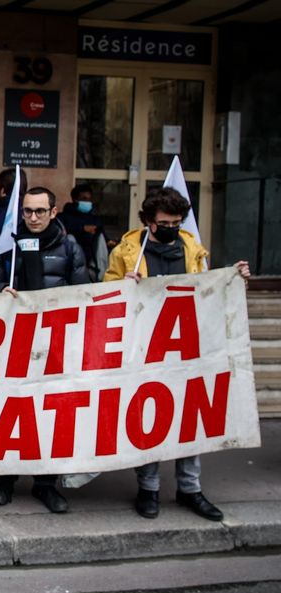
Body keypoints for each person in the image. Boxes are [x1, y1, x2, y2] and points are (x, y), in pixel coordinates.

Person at [104, 187, 250, 522]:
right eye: (164, 222)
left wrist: (234, 278)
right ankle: (149, 488)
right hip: (145, 347)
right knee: (150, 416)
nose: (171, 227)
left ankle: (190, 489)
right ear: (148, 222)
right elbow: (105, 293)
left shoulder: (193, 250)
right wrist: (121, 286)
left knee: (189, 416)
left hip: (187, 346)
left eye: (177, 221)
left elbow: (209, 290)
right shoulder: (127, 251)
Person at [0, 186, 87, 513]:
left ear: (53, 212)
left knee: (51, 416)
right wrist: (1, 291)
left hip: (54, 345)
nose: (33, 217)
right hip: (14, 344)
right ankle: (5, 480)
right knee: (10, 413)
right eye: (28, 211)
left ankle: (45, 484)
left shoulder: (69, 247)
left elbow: (84, 292)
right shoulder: (7, 246)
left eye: (40, 211)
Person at [59, 183, 113, 282]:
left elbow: (101, 233)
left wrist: (108, 241)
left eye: (89, 199)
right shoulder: (64, 216)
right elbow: (62, 230)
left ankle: (102, 277)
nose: (87, 202)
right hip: (73, 259)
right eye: (84, 199)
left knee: (100, 238)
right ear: (75, 200)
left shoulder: (94, 217)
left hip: (92, 259)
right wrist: (82, 228)